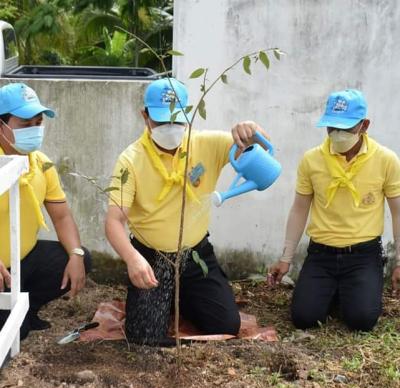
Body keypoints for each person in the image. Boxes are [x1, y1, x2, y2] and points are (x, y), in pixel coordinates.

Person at [105, 77, 269, 344]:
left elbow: (261, 150)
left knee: (226, 324)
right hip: (151, 258)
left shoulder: (207, 144)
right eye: (161, 121)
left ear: (188, 115)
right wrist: (133, 259)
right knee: (144, 336)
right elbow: (114, 221)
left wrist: (252, 132)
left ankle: (181, 297)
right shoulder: (130, 160)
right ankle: (164, 299)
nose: (170, 128)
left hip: (195, 255)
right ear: (145, 116)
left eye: (177, 120)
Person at [270, 89, 400, 331]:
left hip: (363, 254)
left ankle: (351, 291)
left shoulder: (386, 160)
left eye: (346, 128)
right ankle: (335, 290)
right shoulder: (312, 160)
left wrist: (399, 262)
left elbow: (398, 212)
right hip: (322, 253)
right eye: (332, 127)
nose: (338, 134)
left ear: (364, 125)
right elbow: (299, 209)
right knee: (304, 318)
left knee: (361, 320)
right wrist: (285, 258)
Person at [0, 82, 91, 339]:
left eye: (38, 123)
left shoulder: (41, 163)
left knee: (79, 256)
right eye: (25, 124)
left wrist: (76, 254)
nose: (34, 130)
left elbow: (61, 216)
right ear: (1, 125)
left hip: (23, 259)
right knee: (13, 337)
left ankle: (27, 309)